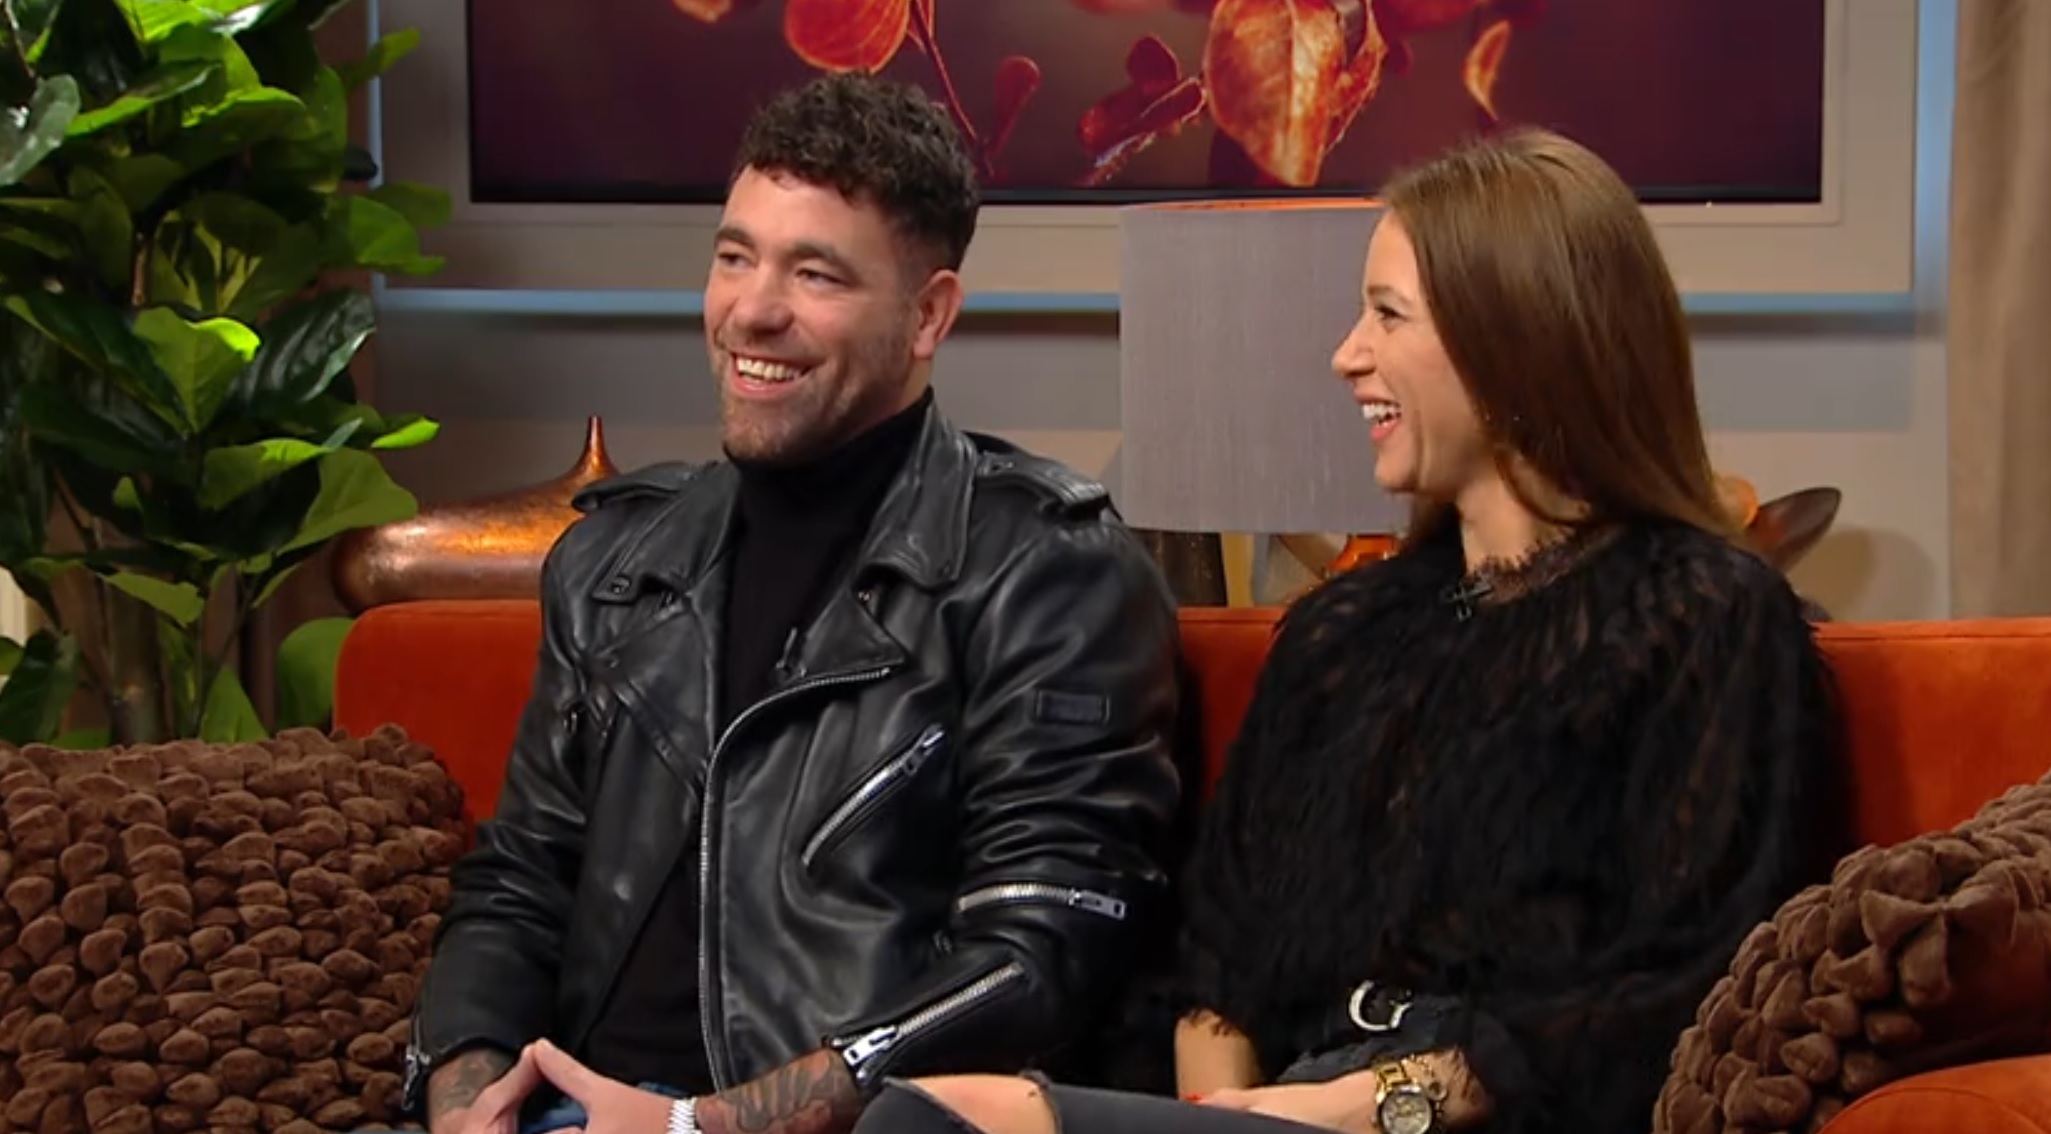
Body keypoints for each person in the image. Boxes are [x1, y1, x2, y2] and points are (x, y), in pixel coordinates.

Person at [848, 127, 1843, 1134]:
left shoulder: (1706, 618)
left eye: (1385, 314)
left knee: (927, 1128)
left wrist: (1355, 1107)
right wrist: (1227, 1113)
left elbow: (1682, 988)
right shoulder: (1340, 632)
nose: (1345, 355)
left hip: (1479, 1119)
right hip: (1279, 1108)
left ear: (1513, 340)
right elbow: (1215, 968)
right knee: (924, 1110)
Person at [400, 73, 1186, 1134]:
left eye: (814, 274)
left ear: (927, 315)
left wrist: (699, 1126)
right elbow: (519, 883)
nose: (751, 311)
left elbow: (1037, 954)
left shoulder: (1047, 572)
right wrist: (464, 1095)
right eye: (735, 258)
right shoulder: (614, 565)